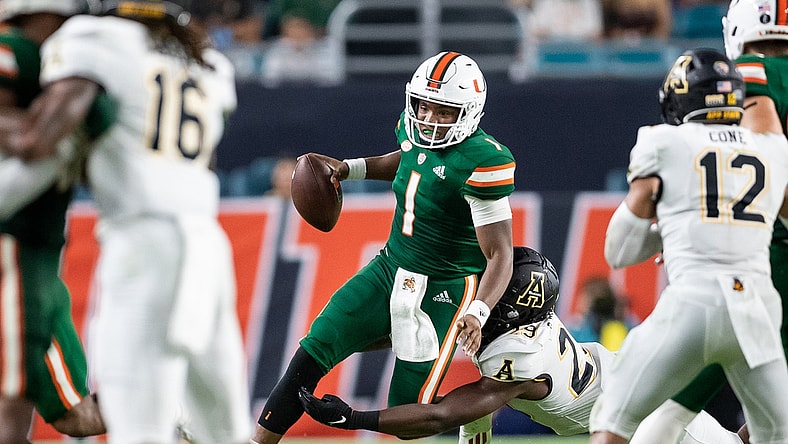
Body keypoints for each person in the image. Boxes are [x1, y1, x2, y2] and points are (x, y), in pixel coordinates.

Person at [0, 0, 251, 442]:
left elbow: (37, 141)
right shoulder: (207, 59)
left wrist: (80, 143)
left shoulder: (96, 41)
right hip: (207, 243)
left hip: (143, 241)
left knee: (138, 428)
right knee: (224, 430)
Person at [250, 50, 516, 444]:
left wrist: (478, 311)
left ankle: (475, 417)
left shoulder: (481, 161)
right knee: (315, 347)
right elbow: (409, 158)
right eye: (424, 106)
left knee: (408, 415)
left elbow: (500, 255)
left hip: (442, 289)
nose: (428, 119)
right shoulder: (414, 132)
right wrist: (351, 168)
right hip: (390, 267)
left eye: (443, 111)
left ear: (470, 111)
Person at [298, 246, 745, 444]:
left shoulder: (516, 355)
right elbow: (425, 332)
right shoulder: (520, 322)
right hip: (618, 377)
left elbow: (442, 413)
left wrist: (354, 418)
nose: (480, 294)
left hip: (647, 408)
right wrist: (342, 340)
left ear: (508, 311)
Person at [588, 48, 788, 444]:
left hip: (692, 303)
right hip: (758, 311)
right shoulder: (774, 149)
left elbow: (619, 251)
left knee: (613, 421)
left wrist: (672, 227)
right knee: (775, 435)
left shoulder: (664, 142)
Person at [0, 0, 107, 441]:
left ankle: (158, 413)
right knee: (13, 391)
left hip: (37, 252)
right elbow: (30, 138)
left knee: (72, 414)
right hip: (13, 243)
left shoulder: (55, 59)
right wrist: (37, 134)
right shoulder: (16, 50)